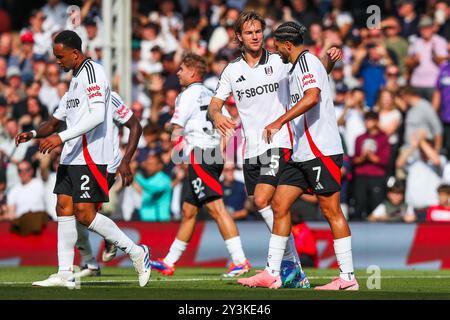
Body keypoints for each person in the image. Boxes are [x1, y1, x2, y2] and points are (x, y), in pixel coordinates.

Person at [208, 11, 341, 288]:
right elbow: (214, 104)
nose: (256, 36)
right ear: (239, 37)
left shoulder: (281, 61)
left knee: (262, 201)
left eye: (258, 31)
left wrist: (329, 59)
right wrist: (217, 115)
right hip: (250, 149)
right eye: (249, 32)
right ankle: (293, 268)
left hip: (279, 142)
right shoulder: (232, 71)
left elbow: (312, 74)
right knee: (268, 206)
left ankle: (282, 268)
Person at [15, 30, 150, 288]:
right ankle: (65, 273)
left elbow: (98, 115)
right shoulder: (74, 83)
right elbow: (54, 122)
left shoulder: (93, 72)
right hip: (70, 157)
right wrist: (32, 133)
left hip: (91, 156)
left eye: (60, 56)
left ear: (75, 53)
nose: (57, 61)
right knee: (63, 209)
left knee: (85, 214)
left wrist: (62, 138)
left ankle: (136, 252)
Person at [238, 21, 358, 290]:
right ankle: (273, 272)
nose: (275, 49)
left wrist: (279, 121)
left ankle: (348, 278)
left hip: (320, 149)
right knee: (279, 205)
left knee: (330, 210)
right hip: (301, 152)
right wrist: (329, 63)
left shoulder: (305, 61)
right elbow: (319, 79)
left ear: (288, 44)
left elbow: (313, 96)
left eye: (277, 45)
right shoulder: (302, 66)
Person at [149, 53, 250, 277]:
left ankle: (240, 260)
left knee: (216, 208)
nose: (178, 73)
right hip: (212, 155)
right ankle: (169, 261)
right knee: (188, 210)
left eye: (182, 69)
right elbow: (229, 124)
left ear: (193, 71)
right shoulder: (213, 94)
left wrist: (168, 129)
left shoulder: (187, 95)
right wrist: (220, 149)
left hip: (201, 155)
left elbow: (174, 125)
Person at [64, 90, 142, 277]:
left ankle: (127, 249)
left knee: (83, 212)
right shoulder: (72, 98)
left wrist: (126, 161)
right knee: (76, 212)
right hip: (82, 163)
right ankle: (91, 263)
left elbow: (135, 126)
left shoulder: (110, 96)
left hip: (106, 165)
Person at [352, 111, 390, 220]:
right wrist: (362, 158)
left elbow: (385, 160)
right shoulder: (359, 138)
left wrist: (372, 157)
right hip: (361, 175)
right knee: (359, 202)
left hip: (376, 176)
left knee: (376, 205)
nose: (368, 123)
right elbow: (354, 159)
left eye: (371, 120)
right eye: (367, 120)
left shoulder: (383, 138)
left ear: (377, 122)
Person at [6, 160, 49, 236]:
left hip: (41, 225)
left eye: (27, 170)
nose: (23, 173)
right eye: (20, 170)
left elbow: (44, 168)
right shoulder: (13, 190)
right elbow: (11, 214)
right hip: (23, 226)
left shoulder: (40, 183)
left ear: (32, 171)